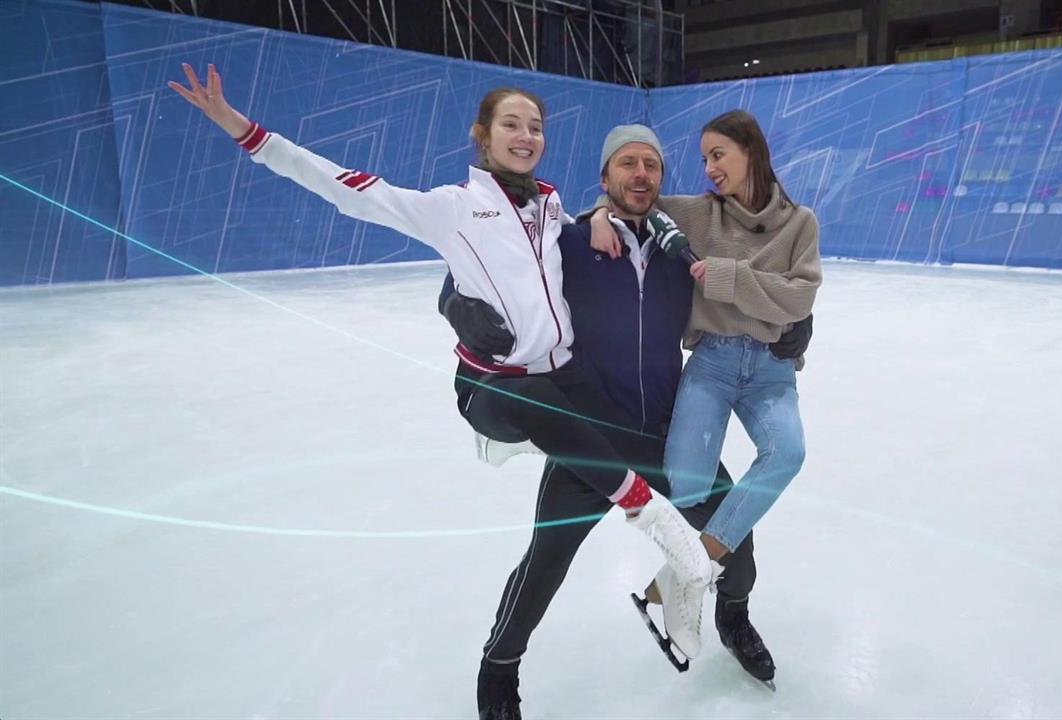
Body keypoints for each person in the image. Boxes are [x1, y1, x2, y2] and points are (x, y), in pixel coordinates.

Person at [166, 63, 716, 654]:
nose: (525, 135)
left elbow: (575, 234)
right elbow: (347, 189)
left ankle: (669, 579)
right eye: (511, 124)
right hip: (495, 387)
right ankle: (645, 518)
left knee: (609, 465)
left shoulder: (550, 208)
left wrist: (599, 214)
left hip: (560, 385)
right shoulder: (452, 207)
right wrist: (244, 130)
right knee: (538, 421)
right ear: (483, 135)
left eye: (535, 126)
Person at [442, 125, 811, 718]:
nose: (641, 175)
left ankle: (733, 617)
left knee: (736, 541)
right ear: (605, 176)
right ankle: (499, 668)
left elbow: (757, 273)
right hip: (590, 440)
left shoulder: (679, 246)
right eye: (628, 163)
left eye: (652, 165)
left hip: (668, 432)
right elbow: (480, 270)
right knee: (546, 562)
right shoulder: (566, 240)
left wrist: (797, 323)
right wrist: (456, 305)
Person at [590, 109, 821, 661]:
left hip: (769, 368)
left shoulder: (799, 223)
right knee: (687, 483)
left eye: (718, 155)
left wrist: (726, 277)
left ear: (750, 151)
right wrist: (599, 213)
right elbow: (631, 199)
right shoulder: (698, 213)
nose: (710, 168)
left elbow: (800, 297)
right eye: (704, 159)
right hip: (712, 361)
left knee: (787, 452)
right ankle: (694, 575)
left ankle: (686, 579)